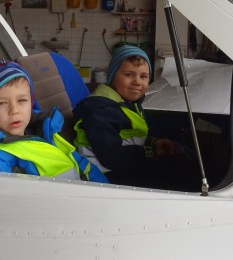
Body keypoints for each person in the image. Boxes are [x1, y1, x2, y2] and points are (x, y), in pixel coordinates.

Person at [72, 45, 198, 190]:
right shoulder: (101, 111)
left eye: (143, 76)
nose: (137, 81)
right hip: (103, 175)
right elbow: (112, 157)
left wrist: (153, 142)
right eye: (129, 75)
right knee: (176, 170)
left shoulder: (128, 104)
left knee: (179, 152)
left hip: (122, 163)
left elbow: (129, 137)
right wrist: (151, 152)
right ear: (112, 77)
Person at [0, 60, 108, 183]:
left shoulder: (45, 131)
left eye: (22, 100)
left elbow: (82, 165)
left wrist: (106, 190)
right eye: (2, 103)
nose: (14, 110)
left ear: (31, 103)